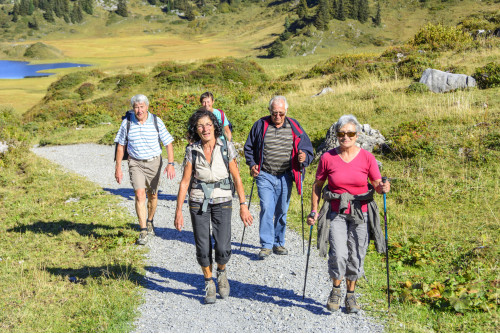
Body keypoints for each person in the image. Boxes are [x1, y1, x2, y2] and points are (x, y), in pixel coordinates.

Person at [306, 114, 390, 314]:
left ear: (357, 134)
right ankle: (336, 290)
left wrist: (383, 188)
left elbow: (377, 185)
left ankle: (350, 295)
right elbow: (318, 186)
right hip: (336, 212)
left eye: (350, 133)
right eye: (341, 133)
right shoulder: (328, 157)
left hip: (361, 212)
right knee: (339, 253)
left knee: (357, 254)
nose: (346, 137)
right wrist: (314, 210)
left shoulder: (367, 157)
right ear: (336, 135)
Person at [174, 108, 253, 304]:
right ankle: (208, 281)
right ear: (196, 129)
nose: (205, 128)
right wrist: (178, 211)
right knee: (202, 245)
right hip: (198, 200)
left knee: (223, 244)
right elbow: (185, 182)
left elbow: (236, 177)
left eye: (208, 124)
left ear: (214, 127)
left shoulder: (225, 146)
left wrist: (243, 205)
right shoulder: (192, 149)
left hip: (223, 198)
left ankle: (222, 272)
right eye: (200, 125)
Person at [244, 96, 314, 260]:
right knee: (267, 207)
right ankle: (266, 245)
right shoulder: (260, 125)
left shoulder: (295, 127)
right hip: (265, 174)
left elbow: (307, 148)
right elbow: (249, 147)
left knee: (282, 210)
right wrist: (252, 164)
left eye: (281, 113)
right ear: (269, 111)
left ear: (286, 111)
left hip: (286, 175)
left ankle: (278, 242)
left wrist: (304, 157)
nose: (277, 116)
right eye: (274, 113)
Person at [114, 94, 176, 245]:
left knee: (152, 195)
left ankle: (150, 220)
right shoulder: (127, 123)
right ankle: (143, 230)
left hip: (154, 162)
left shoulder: (156, 121)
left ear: (147, 107)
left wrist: (171, 163)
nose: (139, 110)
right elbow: (121, 146)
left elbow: (168, 143)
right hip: (135, 163)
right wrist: (118, 168)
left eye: (141, 107)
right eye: (136, 107)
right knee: (140, 194)